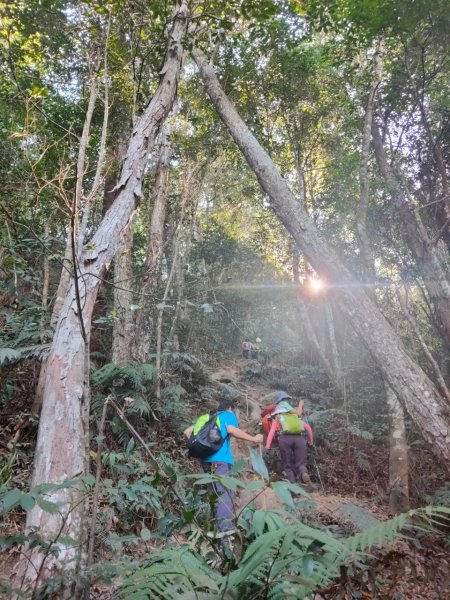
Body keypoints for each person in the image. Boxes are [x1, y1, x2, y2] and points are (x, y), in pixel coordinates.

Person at [184, 400, 263, 534]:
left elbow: (187, 432)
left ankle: (214, 525)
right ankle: (224, 530)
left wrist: (205, 449)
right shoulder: (227, 415)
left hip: (205, 461)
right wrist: (254, 439)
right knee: (226, 493)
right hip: (221, 460)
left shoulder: (206, 418)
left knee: (215, 492)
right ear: (230, 408)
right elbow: (232, 430)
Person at [265, 391, 313, 485]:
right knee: (300, 463)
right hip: (299, 440)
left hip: (285, 439)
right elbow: (309, 429)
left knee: (288, 466)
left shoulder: (278, 418)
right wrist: (311, 443)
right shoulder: (296, 418)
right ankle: (303, 472)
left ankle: (293, 487)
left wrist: (267, 447)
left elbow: (271, 433)